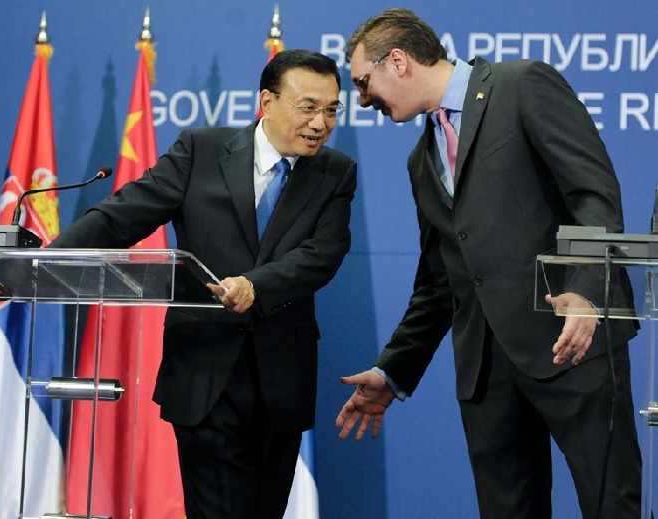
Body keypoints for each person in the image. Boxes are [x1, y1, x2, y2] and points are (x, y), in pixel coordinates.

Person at [335, 8, 643, 519]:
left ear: (399, 61)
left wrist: (588, 292)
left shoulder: (520, 85)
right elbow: (438, 283)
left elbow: (594, 194)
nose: (364, 100)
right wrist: (393, 371)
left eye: (363, 83)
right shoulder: (420, 162)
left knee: (612, 504)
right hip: (487, 374)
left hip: (571, 341)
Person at [37, 49, 355, 519]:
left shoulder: (335, 171)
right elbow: (123, 216)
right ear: (267, 102)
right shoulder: (201, 150)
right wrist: (44, 263)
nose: (320, 123)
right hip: (204, 372)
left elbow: (322, 254)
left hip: (280, 380)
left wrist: (256, 285)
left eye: (331, 110)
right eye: (308, 107)